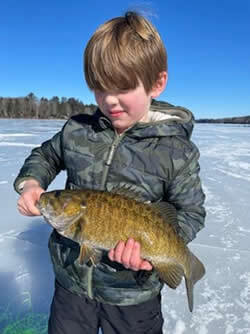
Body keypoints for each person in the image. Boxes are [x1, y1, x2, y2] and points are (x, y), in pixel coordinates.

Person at [14, 11, 206, 334]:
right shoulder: (77, 131)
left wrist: (156, 255)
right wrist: (33, 182)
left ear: (156, 83)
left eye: (123, 87)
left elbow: (191, 212)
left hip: (133, 297)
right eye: (100, 89)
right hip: (71, 289)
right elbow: (47, 154)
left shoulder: (176, 151)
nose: (110, 100)